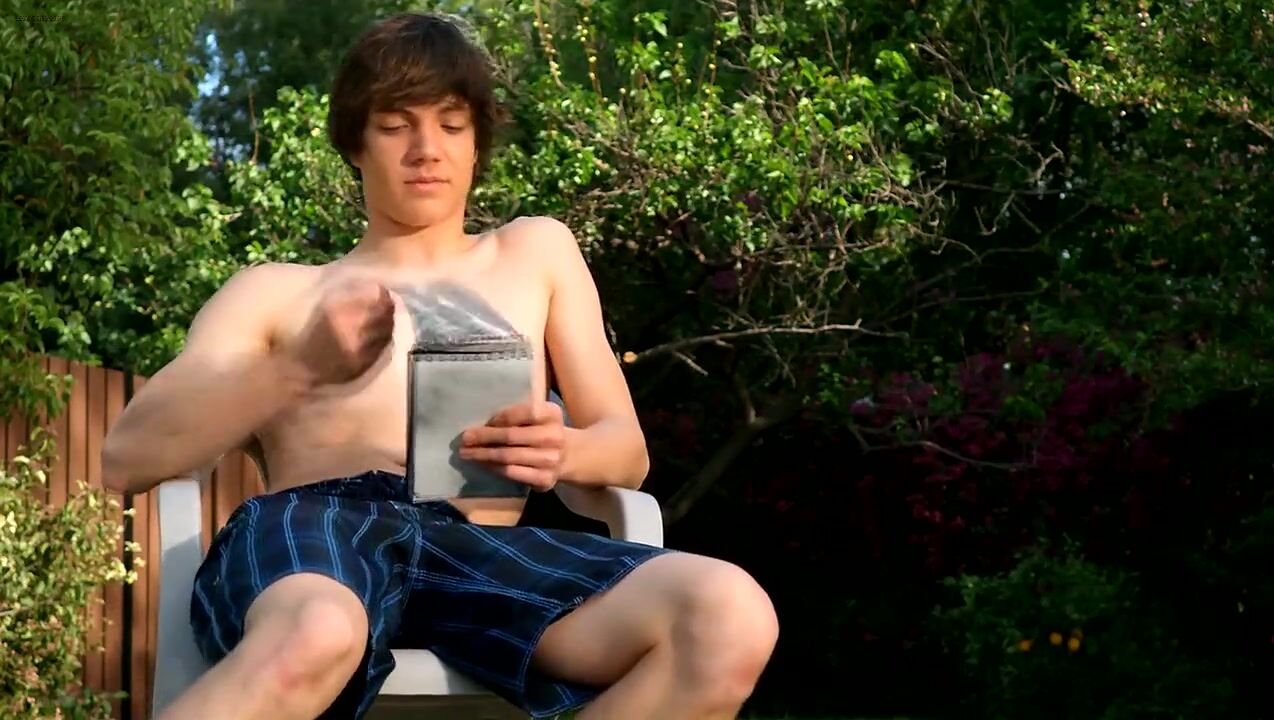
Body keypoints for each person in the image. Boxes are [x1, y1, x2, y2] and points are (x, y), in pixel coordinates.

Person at [101, 11, 778, 720]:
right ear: (354, 143)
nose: (427, 150)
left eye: (451, 125)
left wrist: (563, 452)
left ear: (477, 143)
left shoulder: (534, 253)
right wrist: (295, 369)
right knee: (318, 631)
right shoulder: (277, 293)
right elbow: (128, 456)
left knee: (727, 618)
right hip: (320, 538)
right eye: (396, 126)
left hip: (478, 554)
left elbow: (627, 455)